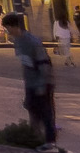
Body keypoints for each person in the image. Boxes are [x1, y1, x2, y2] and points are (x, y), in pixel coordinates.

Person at [4, 11, 57, 144]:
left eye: (7, 28)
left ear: (14, 26)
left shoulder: (32, 42)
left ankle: (50, 142)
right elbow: (25, 63)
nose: (7, 31)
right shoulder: (18, 41)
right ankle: (36, 138)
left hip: (42, 82)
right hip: (31, 82)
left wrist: (42, 85)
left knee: (46, 112)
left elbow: (44, 63)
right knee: (31, 108)